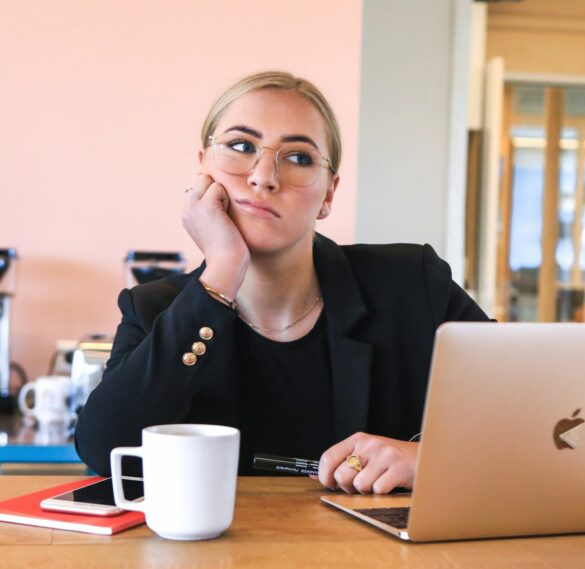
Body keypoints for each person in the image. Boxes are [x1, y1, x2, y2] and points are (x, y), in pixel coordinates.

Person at [75, 71, 489, 495]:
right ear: (202, 168)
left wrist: (430, 459)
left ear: (329, 194)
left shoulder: (412, 284)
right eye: (241, 147)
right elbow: (105, 450)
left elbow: (535, 416)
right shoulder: (153, 309)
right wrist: (221, 270)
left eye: (298, 157)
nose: (263, 176)